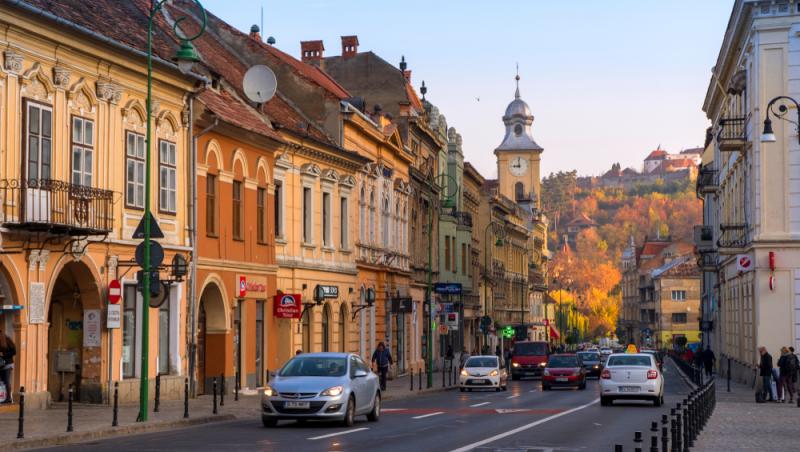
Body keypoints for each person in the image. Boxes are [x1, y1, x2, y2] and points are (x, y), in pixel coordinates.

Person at [0, 329, 15, 404]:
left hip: (8, 364)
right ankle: (2, 397)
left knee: (6, 380)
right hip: (1, 365)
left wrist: (4, 355)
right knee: (2, 381)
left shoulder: (7, 340)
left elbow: (14, 352)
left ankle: (8, 398)